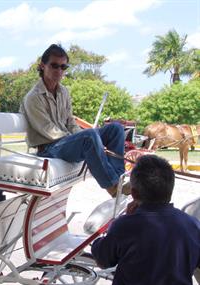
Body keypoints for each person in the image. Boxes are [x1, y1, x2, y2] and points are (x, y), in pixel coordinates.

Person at [20, 44, 127, 196]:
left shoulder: (63, 92)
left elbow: (70, 121)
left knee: (115, 129)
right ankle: (112, 186)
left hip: (65, 143)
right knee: (89, 136)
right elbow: (48, 130)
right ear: (42, 66)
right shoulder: (33, 97)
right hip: (49, 148)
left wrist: (88, 138)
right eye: (54, 65)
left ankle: (119, 179)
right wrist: (81, 139)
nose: (59, 71)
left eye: (63, 67)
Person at [91, 155, 200, 285]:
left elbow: (103, 261)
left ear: (134, 193)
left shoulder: (124, 226)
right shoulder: (192, 225)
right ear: (170, 189)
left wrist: (123, 219)